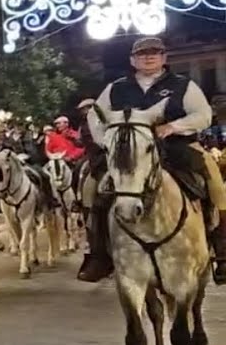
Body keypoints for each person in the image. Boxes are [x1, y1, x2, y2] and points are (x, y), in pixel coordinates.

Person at [81, 36, 226, 283]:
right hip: (128, 152)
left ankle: (222, 249)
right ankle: (98, 254)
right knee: (90, 186)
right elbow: (96, 116)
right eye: (142, 54)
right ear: (132, 60)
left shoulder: (183, 85)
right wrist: (106, 141)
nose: (148, 57)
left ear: (164, 58)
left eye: (154, 53)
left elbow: (203, 115)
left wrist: (174, 126)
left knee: (214, 180)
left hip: (175, 145)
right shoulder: (116, 88)